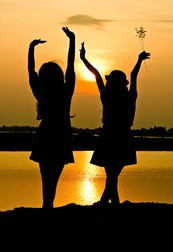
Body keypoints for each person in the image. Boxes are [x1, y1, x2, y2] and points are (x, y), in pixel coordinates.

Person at [80, 42, 150, 206]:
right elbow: (133, 75)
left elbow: (96, 74)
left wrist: (83, 58)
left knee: (111, 175)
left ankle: (107, 202)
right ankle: (112, 203)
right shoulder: (130, 96)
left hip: (109, 135)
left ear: (111, 83)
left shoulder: (106, 95)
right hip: (123, 136)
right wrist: (139, 60)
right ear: (123, 84)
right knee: (113, 175)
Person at [28, 27, 76, 209]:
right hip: (62, 135)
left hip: (45, 135)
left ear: (43, 77)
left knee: (45, 178)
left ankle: (46, 205)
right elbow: (71, 66)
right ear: (59, 76)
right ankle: (48, 206)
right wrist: (72, 40)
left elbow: (30, 71)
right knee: (53, 178)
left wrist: (31, 49)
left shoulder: (41, 91)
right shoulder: (65, 92)